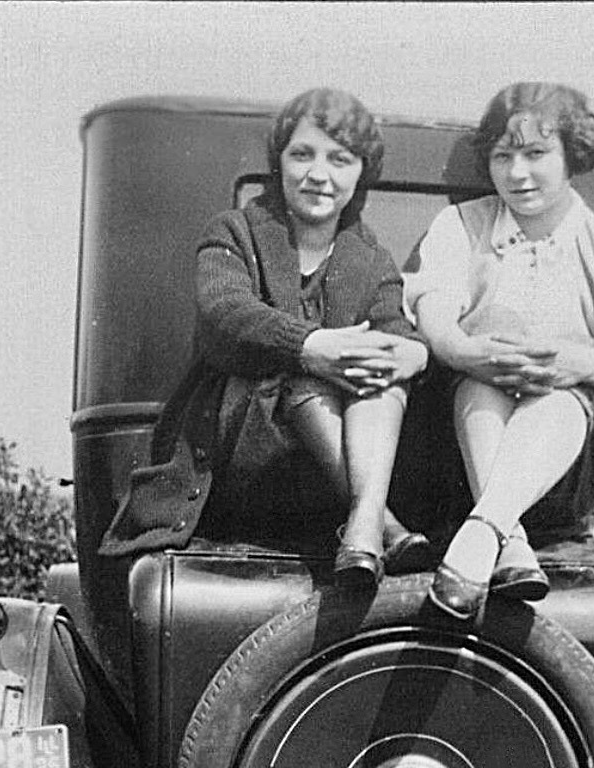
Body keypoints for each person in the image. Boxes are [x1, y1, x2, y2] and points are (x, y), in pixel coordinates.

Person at [99, 88, 430, 585]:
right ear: (279, 161)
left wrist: (412, 354)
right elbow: (225, 314)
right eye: (303, 154)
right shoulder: (234, 232)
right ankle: (379, 522)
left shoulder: (372, 259)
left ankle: (363, 525)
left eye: (340, 160)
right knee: (302, 374)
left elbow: (395, 330)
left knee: (382, 374)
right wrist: (310, 347)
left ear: (362, 172)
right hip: (244, 461)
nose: (319, 174)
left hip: (323, 480)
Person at [405, 82, 594, 620]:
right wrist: (476, 355)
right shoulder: (459, 226)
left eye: (536, 154)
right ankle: (506, 540)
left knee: (559, 397)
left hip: (570, 468)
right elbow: (437, 325)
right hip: (459, 454)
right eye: (503, 157)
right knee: (479, 383)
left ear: (571, 156)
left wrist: (571, 362)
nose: (517, 173)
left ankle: (483, 531)